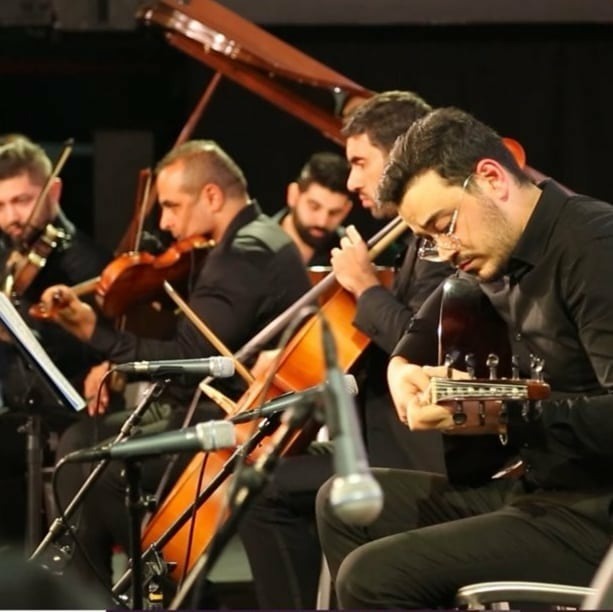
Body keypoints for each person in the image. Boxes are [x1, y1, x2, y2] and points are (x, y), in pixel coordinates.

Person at [316, 106, 613, 609]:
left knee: (372, 576)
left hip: (596, 518)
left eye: (444, 225)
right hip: (541, 494)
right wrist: (401, 369)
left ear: (492, 178)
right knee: (343, 504)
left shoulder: (594, 246)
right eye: (429, 241)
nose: (446, 249)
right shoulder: (494, 250)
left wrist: (499, 411)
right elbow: (422, 327)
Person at [36, 140, 311, 599]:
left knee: (83, 462)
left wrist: (93, 333)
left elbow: (189, 360)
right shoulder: (255, 237)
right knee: (81, 442)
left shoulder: (243, 255)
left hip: (234, 423)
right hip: (219, 408)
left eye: (171, 206)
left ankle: (165, 591)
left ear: (211, 196)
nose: (163, 223)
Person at [237, 91, 453, 609]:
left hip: (409, 455)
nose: (352, 181)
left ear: (400, 154)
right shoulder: (413, 241)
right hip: (373, 439)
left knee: (260, 492)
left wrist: (364, 285)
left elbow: (424, 349)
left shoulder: (440, 241)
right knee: (257, 471)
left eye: (360, 162)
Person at [0, 135, 110, 548]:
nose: (12, 217)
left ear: (54, 191)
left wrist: (20, 329)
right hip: (16, 408)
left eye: (22, 200)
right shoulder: (10, 255)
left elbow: (95, 347)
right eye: (0, 205)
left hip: (66, 412)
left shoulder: (86, 262)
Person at [273, 151, 353, 266]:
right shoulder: (254, 246)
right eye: (314, 207)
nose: (322, 221)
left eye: (334, 212)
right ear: (293, 195)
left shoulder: (350, 254)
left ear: (347, 210)